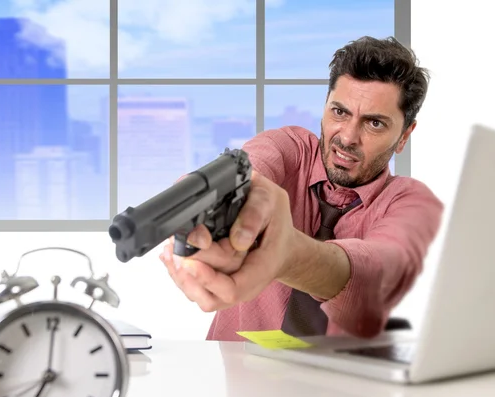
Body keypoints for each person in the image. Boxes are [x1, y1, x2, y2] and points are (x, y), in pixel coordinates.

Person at [159, 36, 444, 341]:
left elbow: (369, 274)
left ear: (403, 136)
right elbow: (252, 166)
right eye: (340, 112)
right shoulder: (291, 147)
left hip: (341, 383)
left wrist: (284, 254)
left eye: (374, 123)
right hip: (232, 375)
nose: (347, 137)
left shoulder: (407, 202)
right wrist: (215, 200)